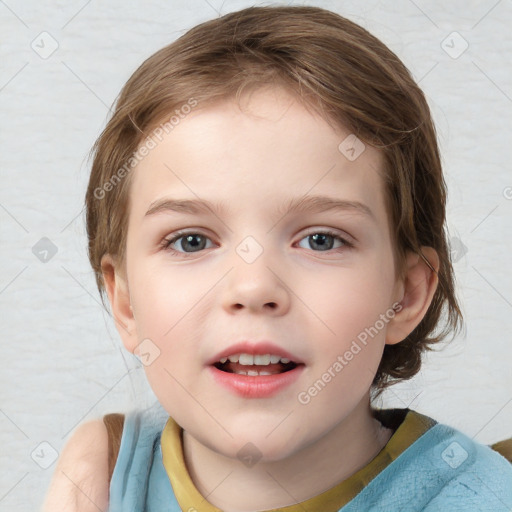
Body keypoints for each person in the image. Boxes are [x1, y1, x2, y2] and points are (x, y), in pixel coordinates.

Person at [42, 5, 512, 511]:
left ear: (406, 295)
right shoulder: (104, 484)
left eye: (321, 240)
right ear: (126, 302)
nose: (253, 288)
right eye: (191, 241)